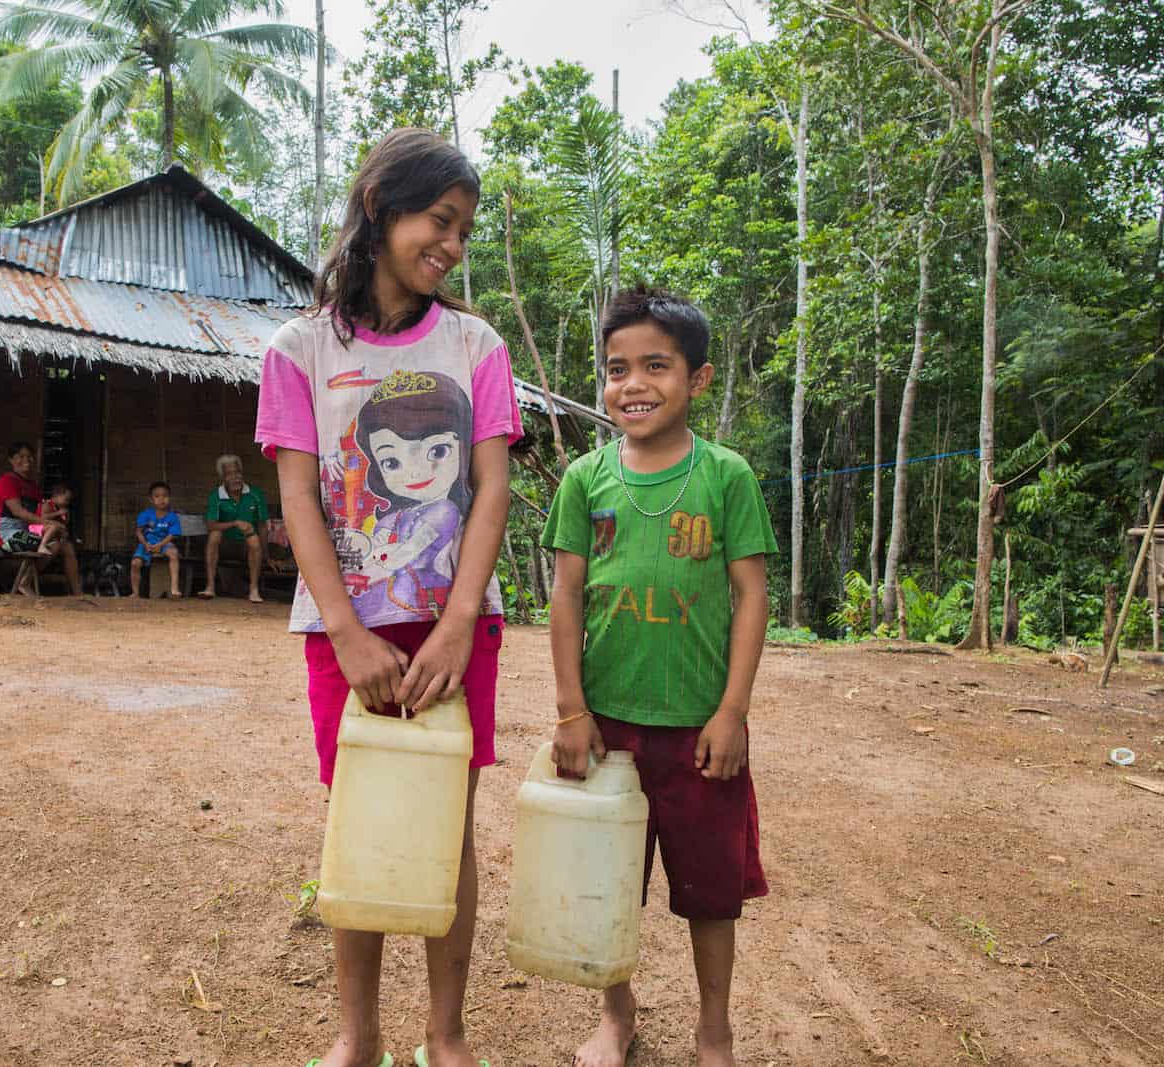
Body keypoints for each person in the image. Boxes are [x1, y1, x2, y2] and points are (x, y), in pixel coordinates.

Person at [254, 128, 520, 1067]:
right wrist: (346, 632)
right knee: (358, 822)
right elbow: (299, 497)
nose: (450, 245)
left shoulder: (475, 344)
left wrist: (456, 622)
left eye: (463, 231)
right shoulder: (298, 350)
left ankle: (445, 1036)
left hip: (458, 627)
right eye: (438, 222)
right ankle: (356, 1036)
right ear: (379, 207)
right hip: (347, 630)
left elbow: (491, 488)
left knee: (448, 827)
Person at [541, 287, 778, 1067]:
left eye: (655, 366)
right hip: (610, 730)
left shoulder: (727, 476)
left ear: (698, 379)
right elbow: (567, 594)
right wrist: (572, 709)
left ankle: (716, 1029)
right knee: (608, 883)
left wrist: (732, 711)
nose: (633, 384)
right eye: (616, 369)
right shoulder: (585, 478)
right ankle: (617, 1016)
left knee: (712, 893)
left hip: (699, 728)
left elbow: (750, 594)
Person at [0, 441, 81, 595]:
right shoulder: (7, 481)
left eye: (29, 456)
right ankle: (24, 583)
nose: (26, 460)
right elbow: (18, 512)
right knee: (54, 543)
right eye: (20, 456)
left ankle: (78, 593)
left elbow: (36, 517)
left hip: (25, 533)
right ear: (11, 460)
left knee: (65, 545)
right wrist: (50, 523)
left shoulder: (33, 487)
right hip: (5, 536)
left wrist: (58, 526)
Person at [201, 453, 269, 602]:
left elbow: (262, 526)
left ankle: (253, 590)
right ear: (222, 478)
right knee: (215, 534)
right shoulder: (216, 496)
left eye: (238, 473)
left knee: (254, 540)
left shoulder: (255, 494)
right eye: (229, 474)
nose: (235, 477)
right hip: (225, 546)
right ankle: (210, 586)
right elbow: (211, 525)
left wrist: (266, 555)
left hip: (247, 547)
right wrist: (235, 523)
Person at [130, 481, 184, 599]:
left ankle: (174, 588)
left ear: (169, 498)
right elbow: (139, 532)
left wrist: (160, 544)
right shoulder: (145, 514)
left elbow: (173, 535)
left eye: (165, 496)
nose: (161, 499)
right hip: (147, 544)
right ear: (151, 499)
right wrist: (145, 544)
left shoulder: (172, 516)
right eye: (157, 496)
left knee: (174, 553)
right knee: (135, 563)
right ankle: (135, 593)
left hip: (164, 543)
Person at [31, 482, 73, 558]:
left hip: (48, 531)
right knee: (54, 527)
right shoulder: (47, 505)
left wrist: (66, 517)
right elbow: (43, 517)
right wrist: (58, 513)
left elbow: (64, 524)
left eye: (69, 501)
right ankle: (42, 545)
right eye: (66, 499)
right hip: (36, 528)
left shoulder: (59, 507)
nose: (67, 503)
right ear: (56, 496)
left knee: (62, 531)